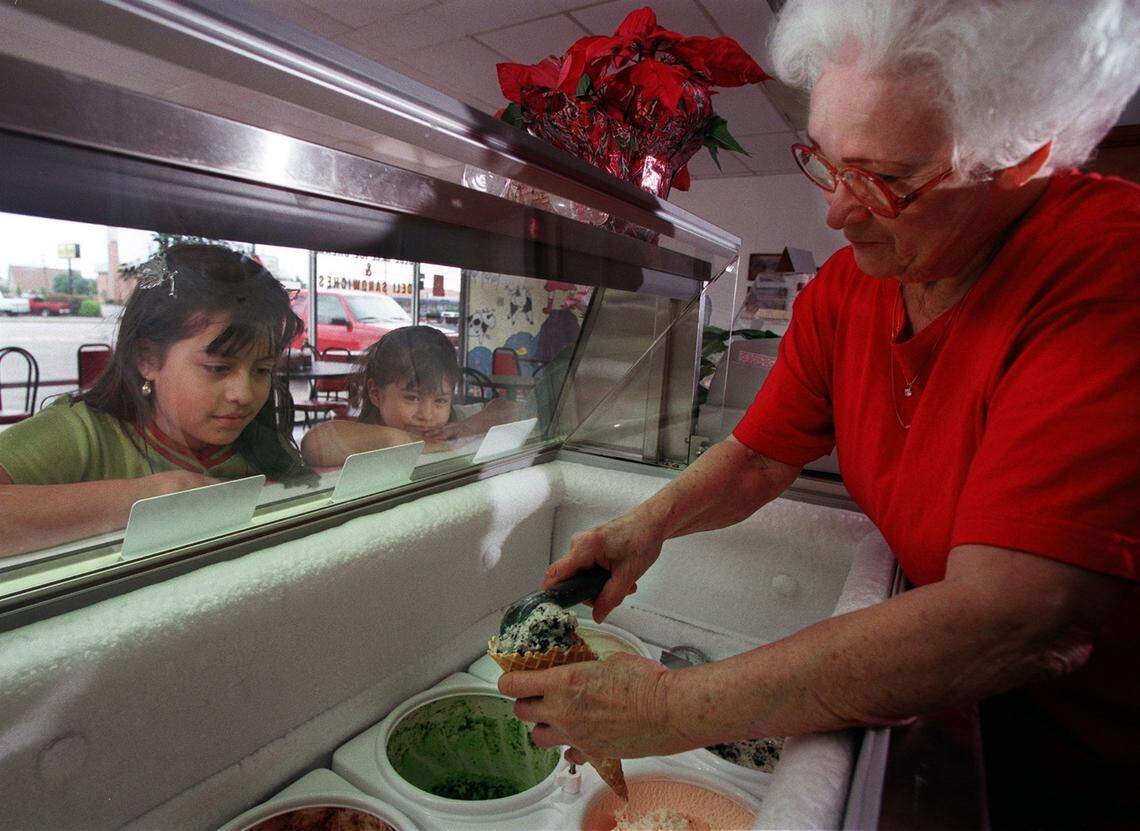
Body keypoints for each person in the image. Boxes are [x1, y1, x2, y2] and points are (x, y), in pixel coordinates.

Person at [495, 2, 1140, 828]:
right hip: (954, 718)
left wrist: (663, 709)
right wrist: (645, 527)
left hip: (1093, 755)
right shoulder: (849, 290)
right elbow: (761, 457)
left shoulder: (1107, 269)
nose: (836, 212)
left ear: (1022, 161)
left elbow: (1013, 615)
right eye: (826, 163)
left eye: (884, 180)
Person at [0, 243, 305, 557]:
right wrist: (144, 497)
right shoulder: (83, 434)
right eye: (218, 368)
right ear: (147, 359)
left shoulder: (263, 445)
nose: (243, 394)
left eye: (262, 370)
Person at [299, 326, 521, 467]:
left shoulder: (455, 423)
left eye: (440, 400)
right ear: (375, 393)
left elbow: (510, 409)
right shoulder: (365, 437)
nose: (427, 415)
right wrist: (406, 441)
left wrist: (469, 427)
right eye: (412, 398)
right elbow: (313, 444)